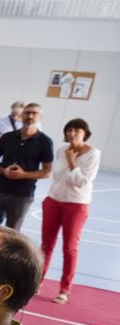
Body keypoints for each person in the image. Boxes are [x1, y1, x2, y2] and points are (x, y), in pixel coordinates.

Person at [40, 117, 100, 304]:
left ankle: (64, 289)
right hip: (54, 200)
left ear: (85, 133)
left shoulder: (93, 154)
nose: (72, 133)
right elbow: (57, 176)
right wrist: (67, 159)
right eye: (70, 130)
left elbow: (81, 182)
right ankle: (36, 282)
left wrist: (72, 161)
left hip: (76, 204)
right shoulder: (61, 150)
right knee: (46, 245)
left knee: (70, 247)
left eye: (77, 130)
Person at [0, 101, 55, 233]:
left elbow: (47, 172)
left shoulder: (45, 142)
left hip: (22, 195)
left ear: (40, 117)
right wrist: (4, 171)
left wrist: (24, 175)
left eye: (34, 113)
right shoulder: (7, 138)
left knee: (12, 235)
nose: (30, 116)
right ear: (21, 116)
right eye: (27, 113)